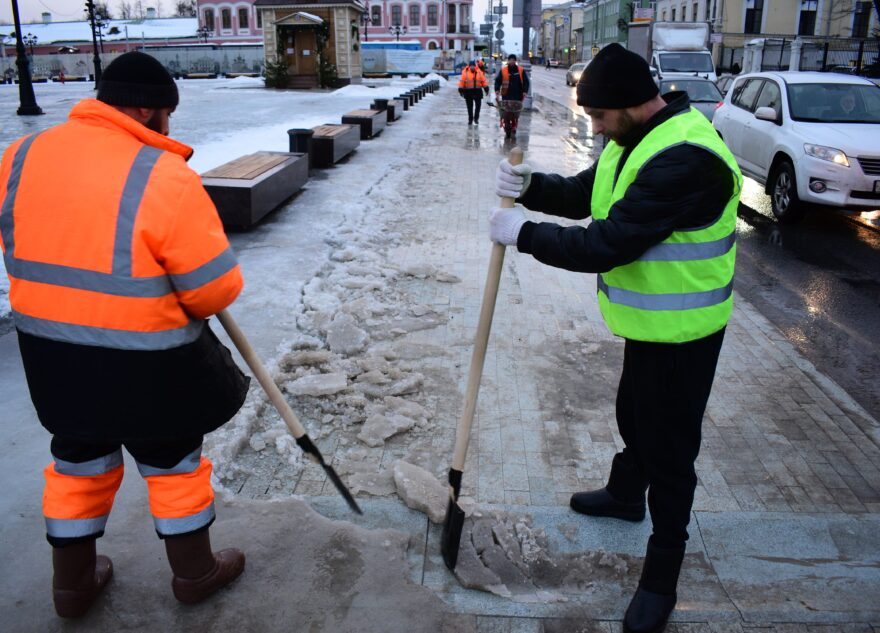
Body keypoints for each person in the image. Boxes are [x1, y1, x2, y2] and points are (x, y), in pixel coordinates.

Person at [490, 43, 741, 633]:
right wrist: (530, 187)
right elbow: (587, 194)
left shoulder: (686, 158)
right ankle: (627, 496)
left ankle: (661, 578)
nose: (594, 126)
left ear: (631, 104)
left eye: (600, 116)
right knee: (633, 412)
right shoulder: (634, 138)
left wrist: (524, 235)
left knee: (672, 453)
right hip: (650, 324)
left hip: (685, 332)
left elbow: (608, 242)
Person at [0, 51, 250, 618]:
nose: (169, 128)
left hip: (49, 352)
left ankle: (73, 585)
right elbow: (213, 291)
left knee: (77, 461)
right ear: (147, 111)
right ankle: (195, 574)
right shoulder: (163, 175)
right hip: (148, 361)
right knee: (173, 465)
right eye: (166, 116)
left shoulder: (21, 154)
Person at [494, 54, 530, 138]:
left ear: (515, 61)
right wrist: (497, 90)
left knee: (514, 112)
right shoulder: (503, 70)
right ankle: (507, 124)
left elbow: (526, 82)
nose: (512, 61)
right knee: (506, 111)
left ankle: (514, 125)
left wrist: (525, 91)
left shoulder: (520, 70)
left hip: (517, 95)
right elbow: (498, 81)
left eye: (513, 60)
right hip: (506, 94)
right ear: (508, 61)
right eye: (510, 60)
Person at [458, 59, 489, 125]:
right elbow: (462, 81)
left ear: (475, 66)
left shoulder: (479, 72)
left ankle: (476, 119)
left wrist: (486, 88)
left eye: (473, 66)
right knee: (470, 107)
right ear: (469, 66)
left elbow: (483, 80)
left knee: (478, 106)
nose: (472, 67)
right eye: (471, 66)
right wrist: (460, 89)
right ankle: (470, 119)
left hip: (478, 91)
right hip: (468, 92)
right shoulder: (465, 72)